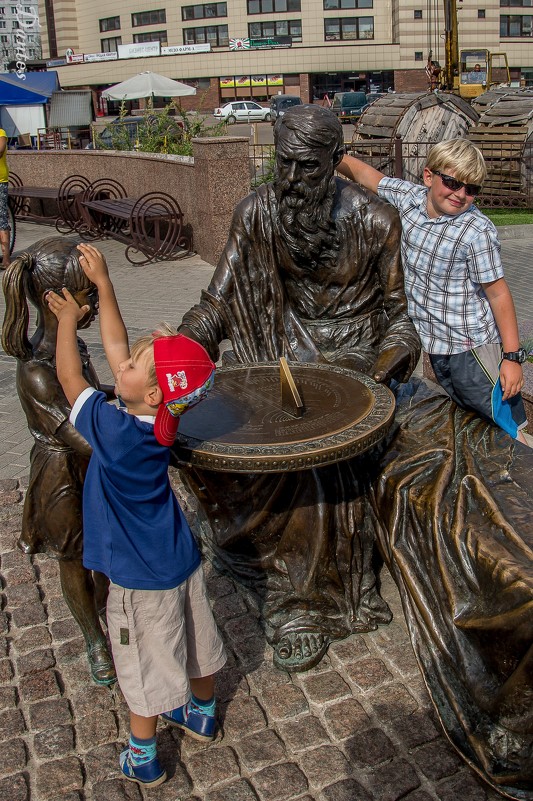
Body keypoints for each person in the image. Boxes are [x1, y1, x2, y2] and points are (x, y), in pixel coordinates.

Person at [179, 103, 421, 672]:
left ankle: (301, 602)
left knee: (317, 457)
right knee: (225, 438)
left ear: (337, 162)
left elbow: (400, 320)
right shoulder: (257, 213)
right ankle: (271, 567)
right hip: (280, 358)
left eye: (308, 169)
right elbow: (217, 303)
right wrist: (179, 353)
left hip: (355, 360)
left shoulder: (377, 220)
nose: (290, 181)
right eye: (283, 165)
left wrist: (376, 377)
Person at [46, 242, 226, 788]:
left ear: (149, 391)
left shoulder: (115, 431)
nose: (117, 364)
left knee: (143, 666)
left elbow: (70, 378)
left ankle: (143, 754)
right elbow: (121, 347)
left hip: (136, 575)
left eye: (129, 367)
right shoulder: (154, 427)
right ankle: (201, 714)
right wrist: (104, 285)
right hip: (179, 557)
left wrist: (66, 323)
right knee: (195, 639)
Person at [338, 138, 529, 445]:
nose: (460, 194)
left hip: (473, 351)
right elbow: (365, 175)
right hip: (436, 349)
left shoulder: (476, 232)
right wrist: (330, 154)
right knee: (465, 422)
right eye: (453, 182)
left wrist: (511, 358)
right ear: (429, 177)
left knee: (503, 427)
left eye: (471, 189)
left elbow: (498, 294)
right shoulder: (410, 198)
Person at [1, 237, 116, 686]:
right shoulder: (34, 370)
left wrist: (121, 396)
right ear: (56, 302)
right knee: (74, 556)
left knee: (101, 551)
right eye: (87, 299)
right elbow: (74, 432)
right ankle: (93, 640)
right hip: (61, 474)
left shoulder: (78, 350)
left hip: (90, 468)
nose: (90, 308)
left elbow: (89, 395)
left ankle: (108, 609)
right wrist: (131, 443)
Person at [0, 127, 11, 267]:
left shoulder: (1, 133)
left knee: (1, 219)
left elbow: (0, 150)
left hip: (0, 181)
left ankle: (6, 259)